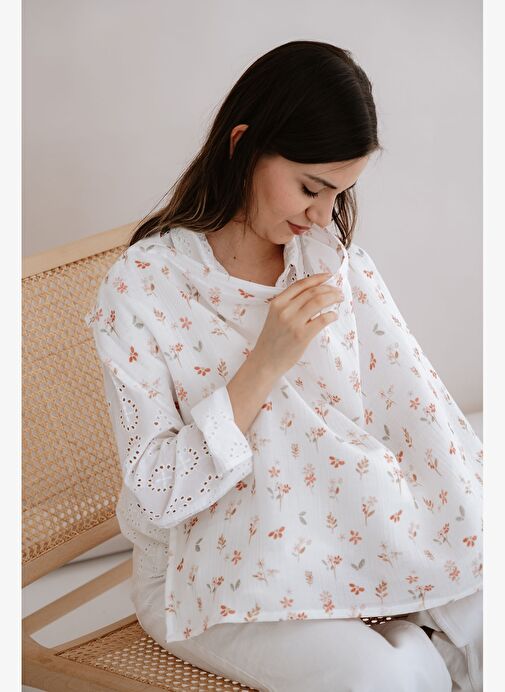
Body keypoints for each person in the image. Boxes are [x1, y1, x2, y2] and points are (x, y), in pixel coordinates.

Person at [85, 40, 482, 691]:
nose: (322, 215)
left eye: (339, 193)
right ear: (243, 144)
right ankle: (412, 643)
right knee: (382, 679)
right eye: (310, 188)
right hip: (204, 571)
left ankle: (417, 632)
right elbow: (159, 494)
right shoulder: (144, 287)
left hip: (343, 528)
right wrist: (264, 363)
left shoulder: (325, 259)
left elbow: (413, 415)